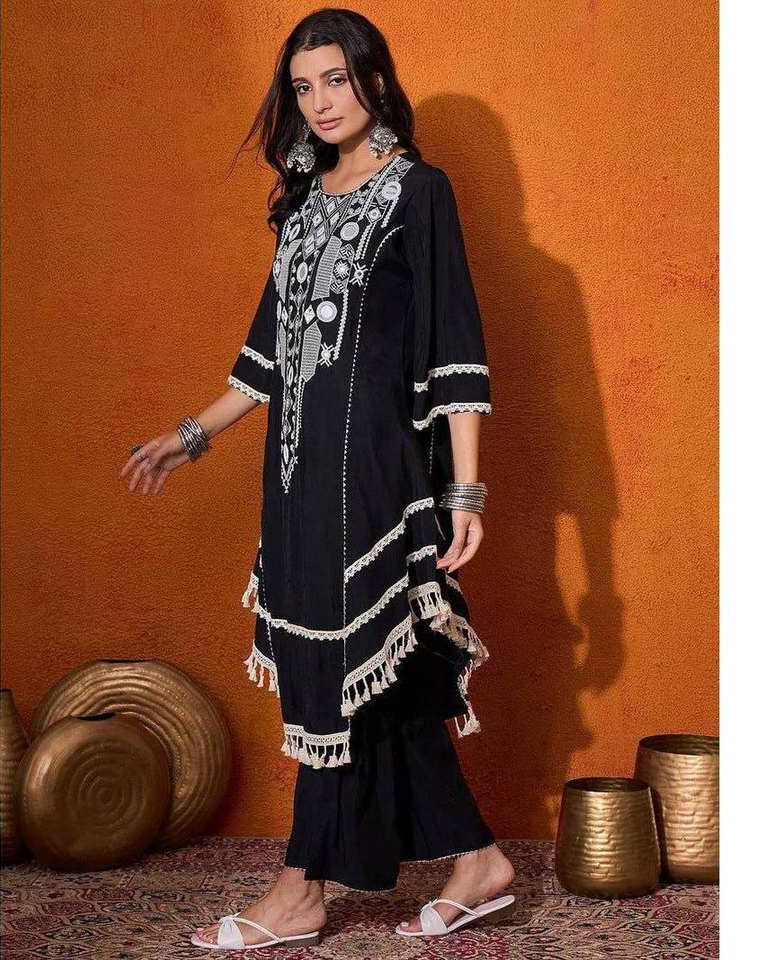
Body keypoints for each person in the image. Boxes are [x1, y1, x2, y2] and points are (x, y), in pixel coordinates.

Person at [118, 7, 515, 950]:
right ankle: (478, 860)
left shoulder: (419, 192)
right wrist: (191, 436)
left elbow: (456, 348)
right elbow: (267, 354)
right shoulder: (302, 203)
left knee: (342, 669)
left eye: (336, 79)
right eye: (303, 87)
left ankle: (300, 887)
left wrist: (465, 493)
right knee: (379, 672)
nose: (321, 102)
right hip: (297, 476)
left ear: (374, 79)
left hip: (377, 473)